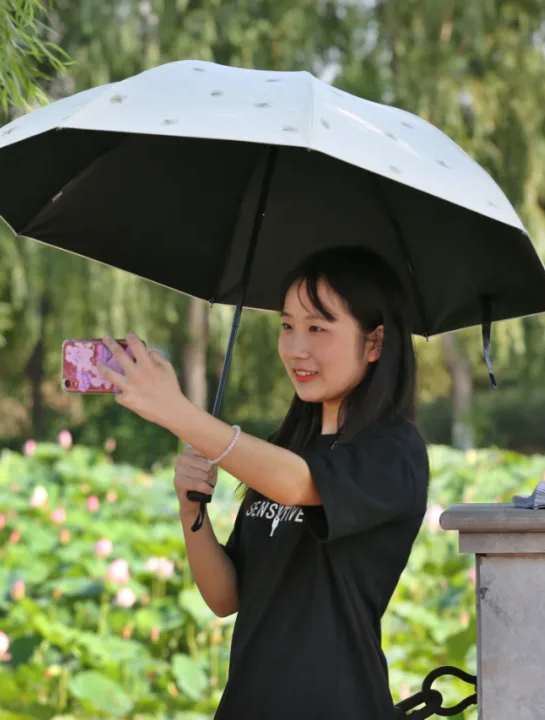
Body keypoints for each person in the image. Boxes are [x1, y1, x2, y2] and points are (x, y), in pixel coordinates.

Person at [96, 246, 429, 719]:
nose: (296, 348)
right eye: (287, 325)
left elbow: (301, 486)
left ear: (374, 343)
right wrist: (193, 515)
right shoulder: (287, 447)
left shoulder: (394, 452)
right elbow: (226, 596)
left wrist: (178, 414)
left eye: (318, 328)